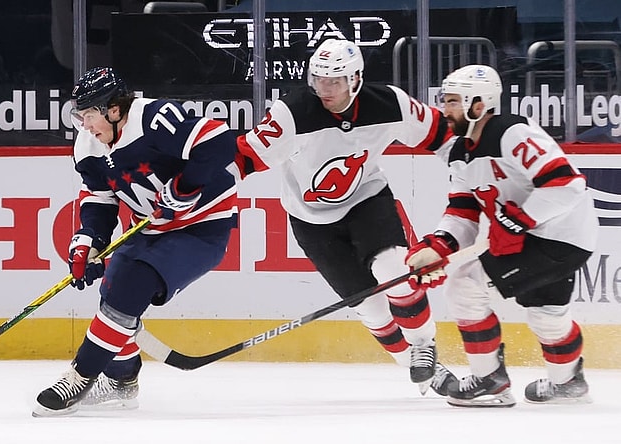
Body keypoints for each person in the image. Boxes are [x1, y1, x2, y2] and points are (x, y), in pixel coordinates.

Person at [235, 38, 455, 395]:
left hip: (367, 200)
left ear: (356, 79)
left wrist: (476, 174)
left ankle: (423, 344)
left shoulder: (390, 103)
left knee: (393, 269)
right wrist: (196, 189)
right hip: (310, 220)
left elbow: (442, 136)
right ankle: (427, 373)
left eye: (335, 81)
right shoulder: (292, 113)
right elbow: (245, 158)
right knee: (371, 308)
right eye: (319, 79)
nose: (325, 89)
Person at [33, 67, 239, 417]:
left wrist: (185, 188)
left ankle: (81, 375)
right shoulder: (87, 146)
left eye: (89, 114)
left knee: (132, 287)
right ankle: (121, 382)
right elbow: (99, 198)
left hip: (202, 225)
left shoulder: (154, 118)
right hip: (152, 227)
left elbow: (219, 141)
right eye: (79, 115)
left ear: (114, 110)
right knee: (113, 295)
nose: (84, 123)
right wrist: (89, 240)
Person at [405, 64, 598, 407]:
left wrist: (519, 220)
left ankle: (488, 381)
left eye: (451, 102)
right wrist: (438, 246)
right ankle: (567, 384)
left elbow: (567, 183)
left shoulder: (512, 132)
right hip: (544, 237)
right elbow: (463, 212)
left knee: (464, 285)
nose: (444, 110)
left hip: (557, 236)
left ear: (478, 105)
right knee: (547, 314)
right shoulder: (461, 152)